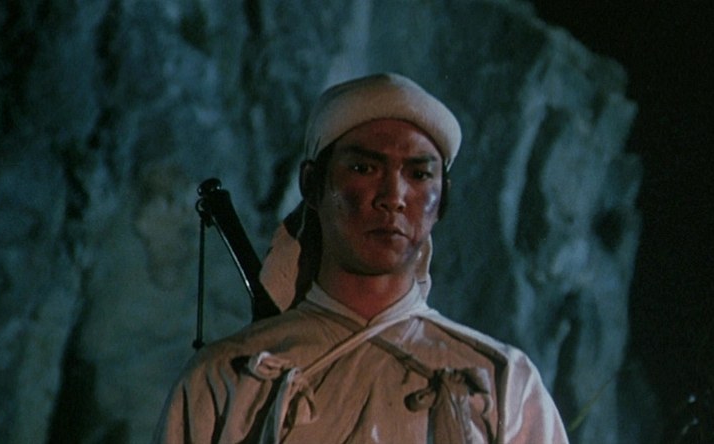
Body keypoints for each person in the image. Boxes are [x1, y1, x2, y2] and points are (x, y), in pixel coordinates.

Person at [154, 73, 569, 443]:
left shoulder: (502, 383)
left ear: (442, 198)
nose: (393, 197)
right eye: (364, 168)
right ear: (312, 184)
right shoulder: (225, 376)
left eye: (419, 174)